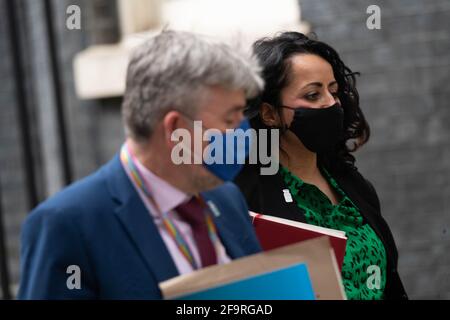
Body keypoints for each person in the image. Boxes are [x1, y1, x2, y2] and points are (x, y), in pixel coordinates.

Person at [19, 30, 264, 299]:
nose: (243, 134)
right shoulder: (67, 226)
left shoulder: (227, 199)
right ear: (176, 129)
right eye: (230, 121)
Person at [235, 32, 408, 300]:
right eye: (313, 94)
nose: (330, 103)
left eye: (334, 91)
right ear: (270, 114)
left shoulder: (353, 184)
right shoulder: (246, 197)